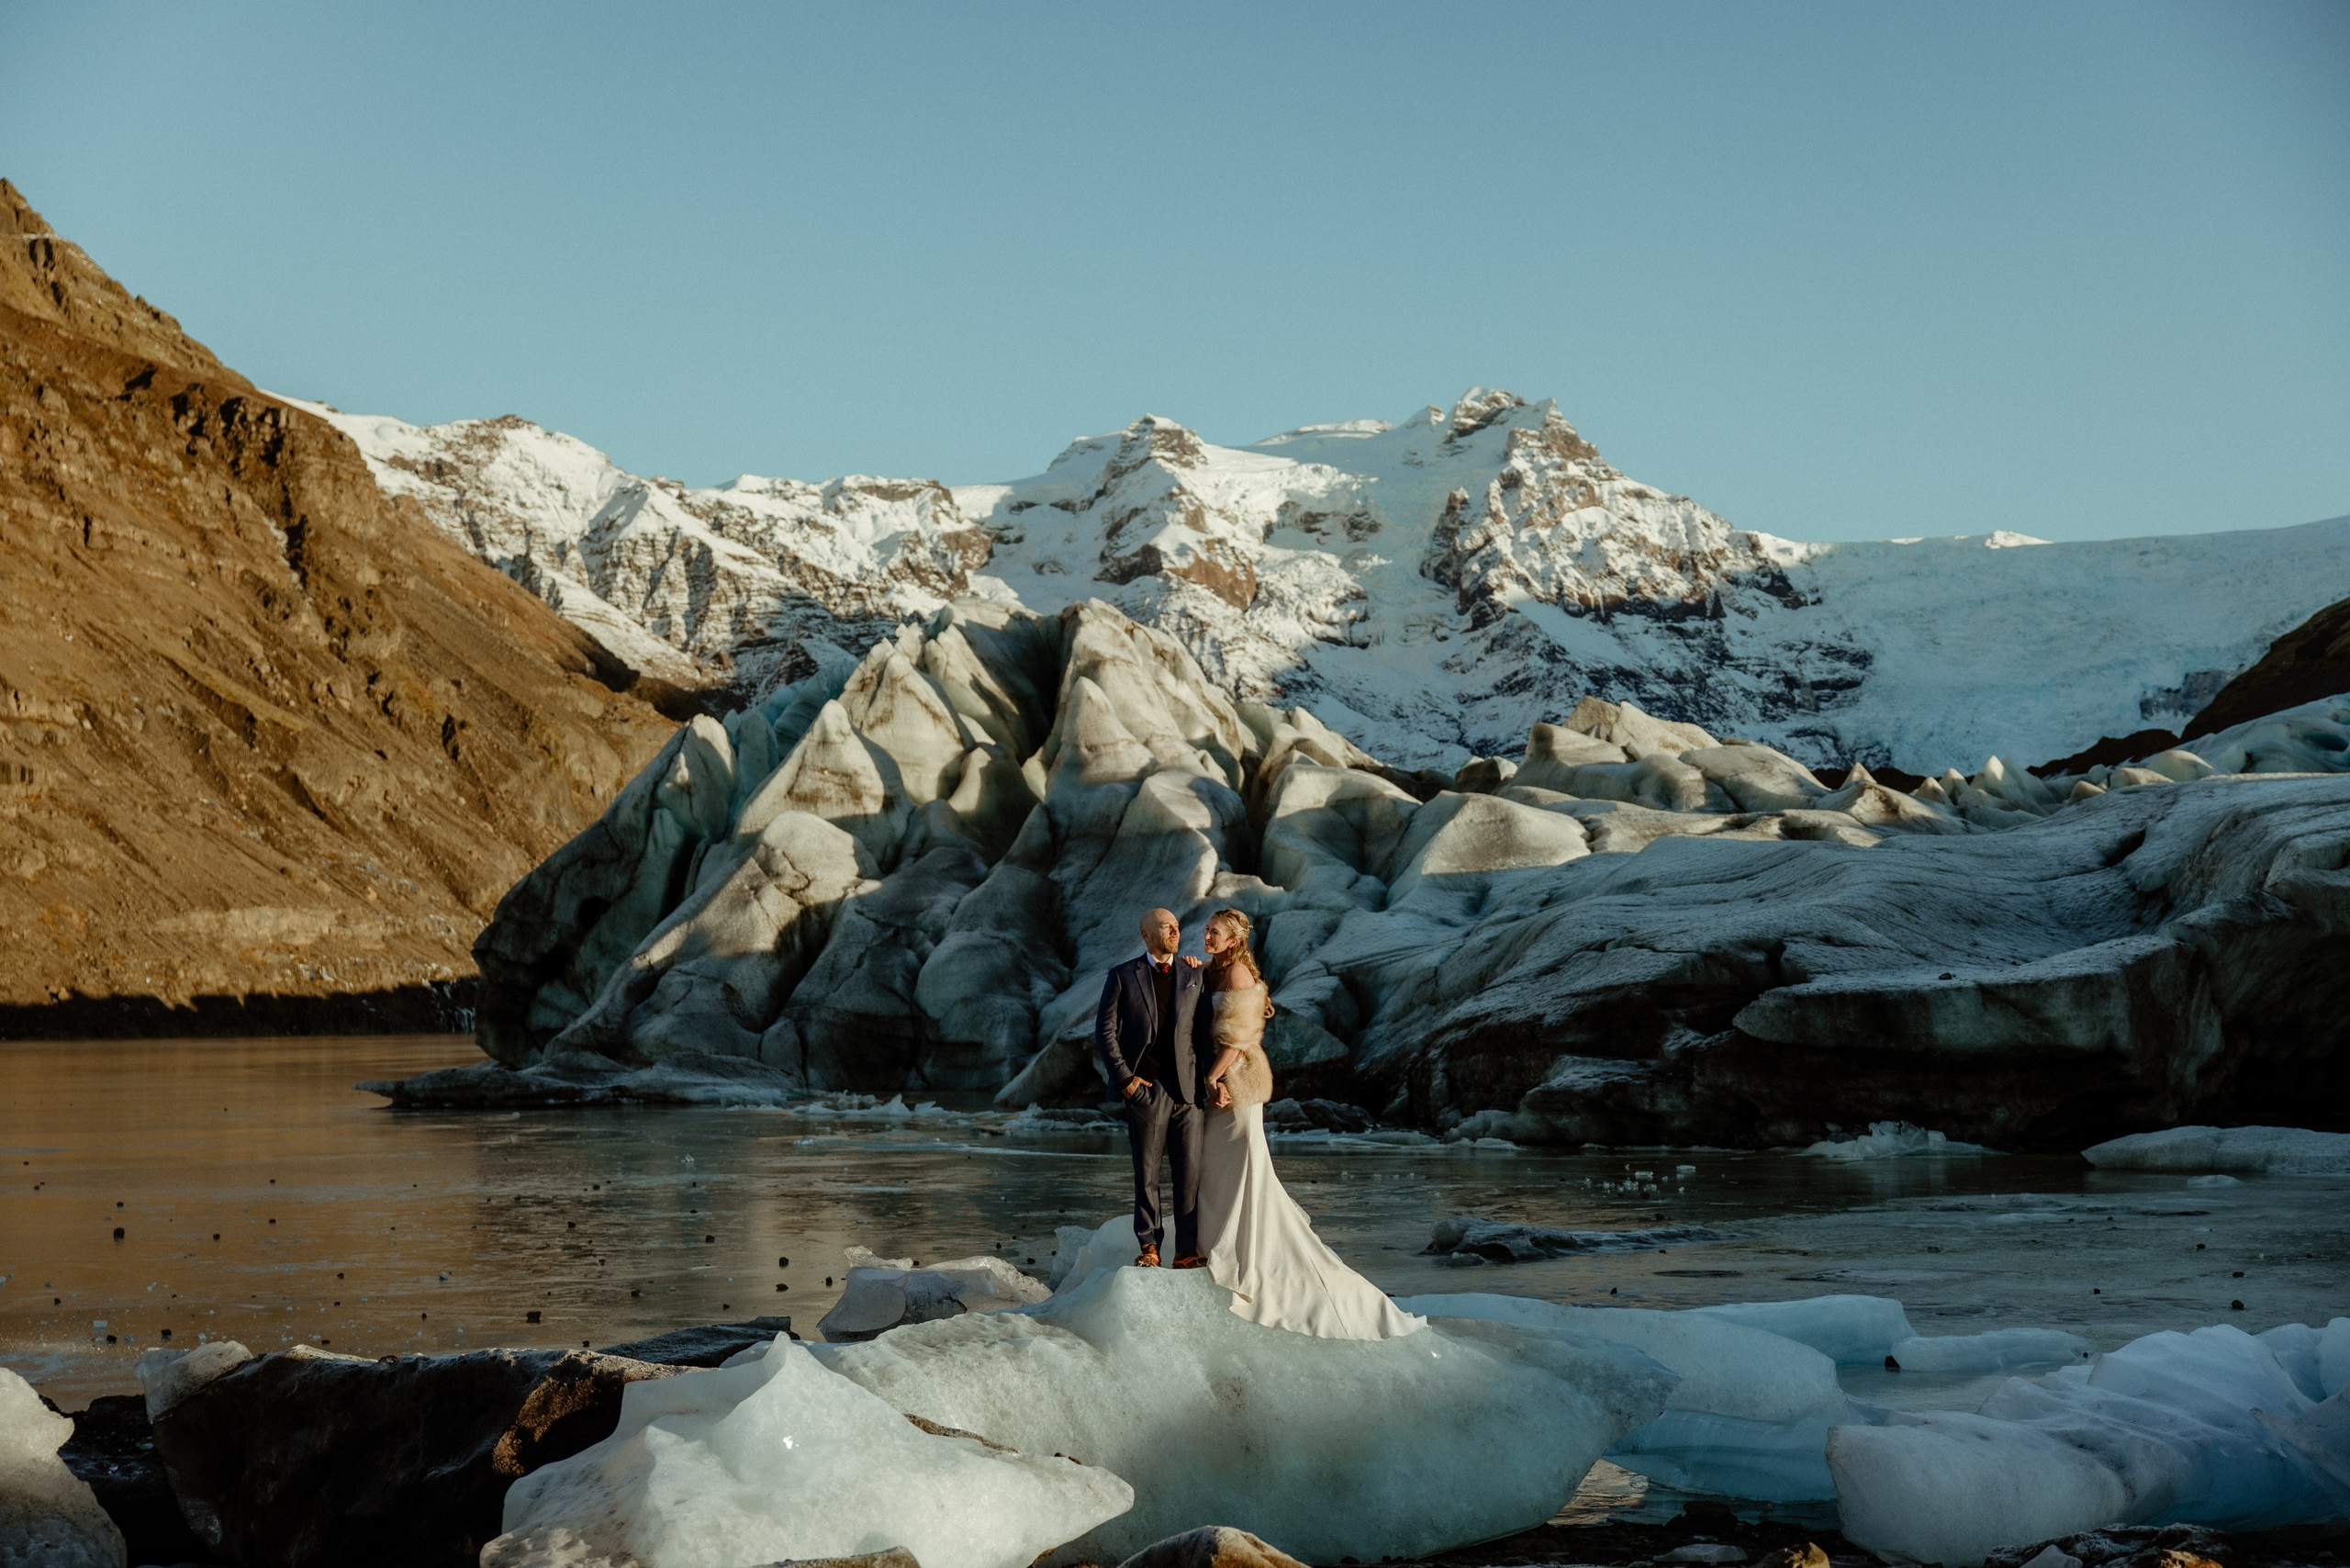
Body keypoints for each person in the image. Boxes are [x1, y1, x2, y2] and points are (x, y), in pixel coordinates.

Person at [1193, 907, 1423, 1340]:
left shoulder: (1240, 974)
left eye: (1215, 932)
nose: (1206, 937)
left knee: (1238, 1173)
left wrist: (1212, 1076)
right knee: (1217, 1173)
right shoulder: (1213, 971)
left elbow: (1241, 1038)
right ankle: (1220, 1253)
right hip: (1218, 1089)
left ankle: (1245, 1263)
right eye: (1205, 930)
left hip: (1235, 1088)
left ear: (1235, 938)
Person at [1092, 907, 1214, 1269]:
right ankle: (1150, 1246)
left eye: (1177, 926)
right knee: (1146, 1174)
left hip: (1189, 1092)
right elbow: (1104, 1031)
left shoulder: (1194, 971)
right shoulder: (1122, 975)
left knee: (1188, 1175)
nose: (1175, 931)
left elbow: (1205, 1032)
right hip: (1146, 1090)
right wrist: (1125, 1079)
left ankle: (1186, 1251)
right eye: (1166, 927)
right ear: (1146, 934)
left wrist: (1211, 1081)